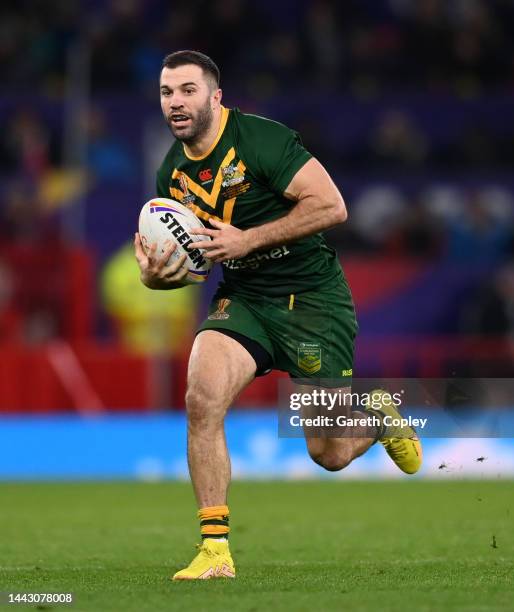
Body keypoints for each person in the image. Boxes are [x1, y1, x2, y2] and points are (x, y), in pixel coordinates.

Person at [134, 50, 422, 580]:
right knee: (201, 400)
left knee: (329, 454)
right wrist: (157, 275)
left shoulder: (261, 141)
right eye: (166, 93)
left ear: (215, 97)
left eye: (187, 91)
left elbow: (332, 206)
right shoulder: (170, 174)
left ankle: (377, 417)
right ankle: (215, 551)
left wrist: (249, 238)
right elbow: (191, 264)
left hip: (312, 300)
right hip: (244, 299)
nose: (175, 103)